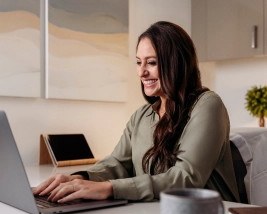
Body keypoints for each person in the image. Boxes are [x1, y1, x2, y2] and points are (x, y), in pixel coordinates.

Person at [33, 21, 240, 203]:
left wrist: (110, 189)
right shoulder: (141, 116)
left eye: (151, 62)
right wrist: (80, 178)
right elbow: (117, 164)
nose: (142, 72)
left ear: (176, 63)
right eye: (139, 62)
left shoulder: (208, 105)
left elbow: (186, 178)